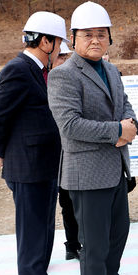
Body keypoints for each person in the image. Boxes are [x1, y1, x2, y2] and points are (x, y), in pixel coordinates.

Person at [47, 1, 138, 275]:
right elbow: (70, 124)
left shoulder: (111, 69)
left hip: (115, 169)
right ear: (73, 39)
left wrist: (131, 123)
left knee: (119, 233)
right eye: (87, 34)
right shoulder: (64, 75)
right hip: (86, 173)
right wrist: (117, 130)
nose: (96, 40)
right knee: (94, 244)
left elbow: (125, 106)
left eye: (102, 34)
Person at [0, 11, 76, 275]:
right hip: (28, 169)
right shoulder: (18, 70)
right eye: (58, 41)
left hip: (43, 167)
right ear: (46, 42)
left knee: (44, 235)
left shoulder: (35, 69)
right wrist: (2, 152)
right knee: (32, 241)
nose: (60, 48)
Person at [51, 42, 82, 261]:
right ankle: (72, 244)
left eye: (66, 56)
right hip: (56, 154)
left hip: (73, 151)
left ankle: (78, 243)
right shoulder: (46, 82)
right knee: (67, 202)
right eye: (60, 56)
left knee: (76, 200)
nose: (64, 60)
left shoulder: (71, 79)